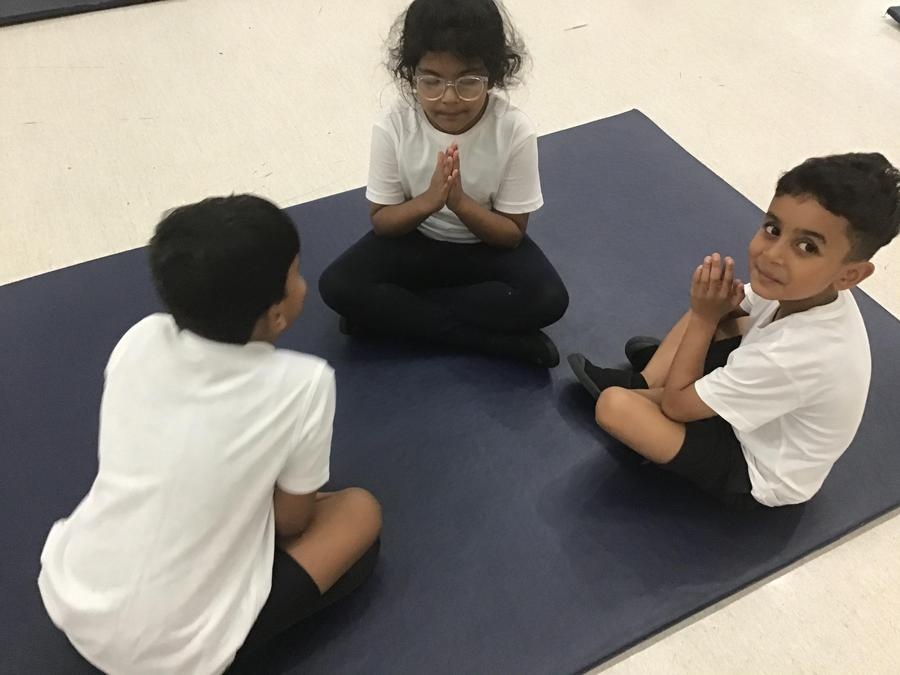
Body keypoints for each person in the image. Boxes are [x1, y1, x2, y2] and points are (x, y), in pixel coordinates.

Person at [38, 195, 382, 674]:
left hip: (75, 596)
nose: (302, 282)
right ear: (276, 314)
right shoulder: (305, 383)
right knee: (360, 511)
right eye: (296, 274)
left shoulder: (140, 338)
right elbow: (292, 524)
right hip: (172, 655)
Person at [569, 153, 900, 509]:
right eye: (773, 229)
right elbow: (730, 307)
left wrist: (702, 321)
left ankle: (654, 388)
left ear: (850, 275)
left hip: (755, 467)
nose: (772, 255)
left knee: (615, 405)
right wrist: (710, 312)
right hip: (757, 410)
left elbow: (677, 407)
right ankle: (647, 380)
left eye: (807, 247)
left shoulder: (797, 355)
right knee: (720, 298)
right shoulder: (808, 290)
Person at [318, 0, 569, 367]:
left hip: (484, 246)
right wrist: (430, 201)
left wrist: (461, 204)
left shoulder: (514, 130)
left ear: (493, 75)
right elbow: (383, 222)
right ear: (411, 75)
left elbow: (512, 234)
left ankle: (390, 316)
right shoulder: (394, 125)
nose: (449, 98)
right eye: (431, 81)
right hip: (416, 239)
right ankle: (495, 343)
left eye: (468, 81)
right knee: (337, 285)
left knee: (548, 298)